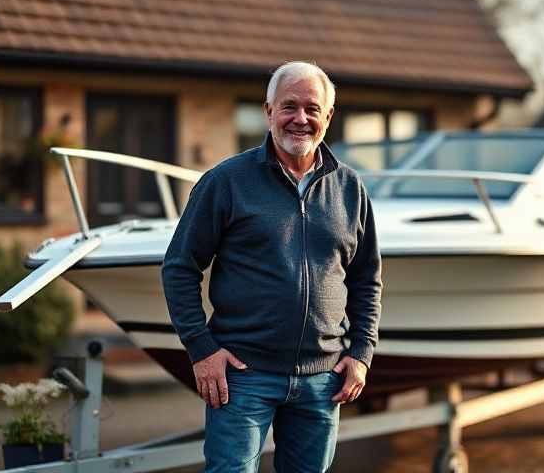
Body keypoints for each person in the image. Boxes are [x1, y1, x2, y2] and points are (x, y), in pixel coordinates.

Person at [161, 61, 382, 472]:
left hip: (322, 379)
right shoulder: (226, 182)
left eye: (312, 109)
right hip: (243, 376)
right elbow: (179, 267)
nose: (300, 119)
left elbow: (366, 278)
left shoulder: (350, 187)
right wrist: (201, 349)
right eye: (289, 107)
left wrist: (362, 352)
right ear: (268, 111)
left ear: (328, 117)